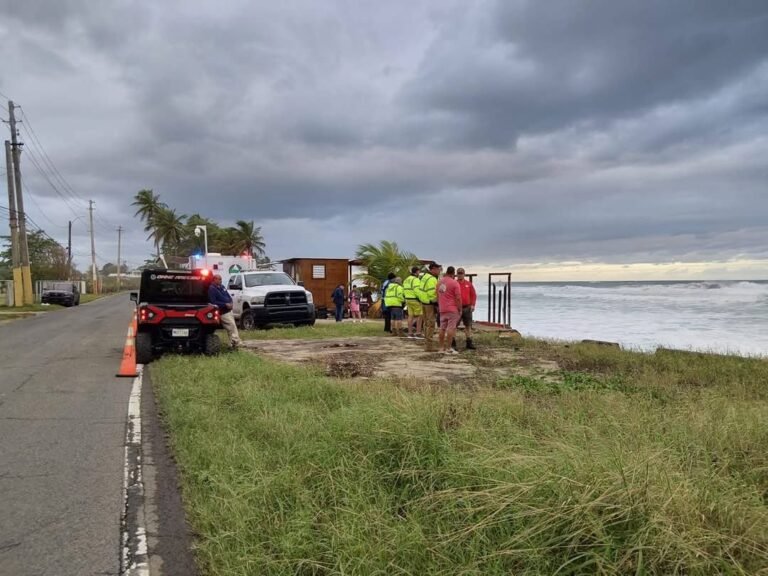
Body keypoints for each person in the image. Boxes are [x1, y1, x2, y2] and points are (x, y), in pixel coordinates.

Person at [208, 274, 241, 349]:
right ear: (214, 279)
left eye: (221, 279)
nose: (221, 281)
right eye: (219, 279)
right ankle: (235, 342)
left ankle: (233, 343)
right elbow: (213, 302)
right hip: (223, 311)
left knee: (233, 326)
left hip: (229, 310)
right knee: (231, 326)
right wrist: (224, 304)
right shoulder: (212, 289)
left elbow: (228, 296)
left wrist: (231, 302)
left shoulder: (222, 287)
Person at [437, 266, 462, 355]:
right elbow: (458, 298)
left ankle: (441, 348)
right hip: (452, 309)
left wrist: (440, 305)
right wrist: (460, 308)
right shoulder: (454, 283)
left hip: (442, 308)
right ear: (453, 273)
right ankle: (448, 348)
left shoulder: (439, 282)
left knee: (442, 328)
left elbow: (437, 295)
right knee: (451, 328)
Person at [418, 262, 440, 351]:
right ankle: (429, 346)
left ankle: (427, 343)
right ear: (433, 269)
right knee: (430, 324)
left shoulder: (424, 277)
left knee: (426, 324)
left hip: (423, 302)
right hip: (429, 303)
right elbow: (432, 293)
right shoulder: (432, 279)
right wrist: (437, 303)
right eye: (438, 269)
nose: (439, 271)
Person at [456, 268, 477, 350]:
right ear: (457, 274)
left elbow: (473, 295)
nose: (460, 275)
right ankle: (453, 342)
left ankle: (469, 342)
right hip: (457, 308)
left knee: (468, 325)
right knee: (454, 326)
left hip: (467, 308)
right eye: (459, 273)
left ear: (464, 274)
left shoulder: (469, 284)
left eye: (461, 273)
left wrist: (473, 305)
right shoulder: (454, 284)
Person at [403, 265, 423, 339]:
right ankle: (418, 333)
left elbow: (403, 290)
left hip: (408, 299)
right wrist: (421, 298)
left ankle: (410, 333)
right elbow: (416, 290)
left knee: (410, 316)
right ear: (417, 272)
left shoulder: (406, 279)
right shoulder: (416, 280)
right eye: (419, 271)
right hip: (415, 299)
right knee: (419, 316)